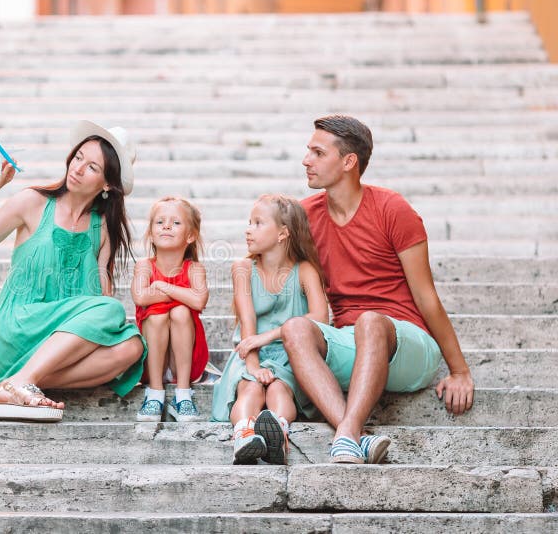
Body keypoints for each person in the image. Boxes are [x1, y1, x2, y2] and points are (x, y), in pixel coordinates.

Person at [281, 115, 475, 464]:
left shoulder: (392, 209)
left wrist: (459, 371)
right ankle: (355, 437)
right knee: (295, 329)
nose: (305, 160)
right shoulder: (304, 216)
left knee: (372, 321)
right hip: (351, 341)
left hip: (407, 343)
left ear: (348, 162)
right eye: (308, 151)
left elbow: (426, 296)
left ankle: (345, 432)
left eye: (317, 152)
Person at [0, 120, 147, 422]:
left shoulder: (102, 228)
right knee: (110, 310)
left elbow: (101, 303)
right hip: (19, 325)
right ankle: (22, 380)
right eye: (79, 157)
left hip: (60, 340)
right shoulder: (33, 202)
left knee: (132, 347)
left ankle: (16, 383)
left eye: (92, 167)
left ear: (108, 184)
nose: (78, 168)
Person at [211, 194, 328, 464]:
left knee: (278, 389)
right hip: (250, 352)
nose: (248, 229)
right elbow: (248, 323)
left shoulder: (305, 270)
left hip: (293, 355)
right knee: (250, 388)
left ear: (283, 233)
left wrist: (273, 335)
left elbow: (320, 317)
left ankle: (277, 431)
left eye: (258, 223)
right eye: (249, 222)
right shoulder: (243, 268)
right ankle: (244, 434)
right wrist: (253, 365)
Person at [131, 197, 209, 422]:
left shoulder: (194, 269)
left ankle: (183, 394)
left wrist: (163, 286)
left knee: (181, 312)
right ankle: (155, 393)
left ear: (190, 236)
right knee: (156, 316)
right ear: (151, 233)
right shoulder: (144, 266)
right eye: (160, 222)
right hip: (151, 358)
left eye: (176, 223)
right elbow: (140, 296)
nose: (166, 226)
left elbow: (199, 301)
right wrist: (182, 294)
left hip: (184, 360)